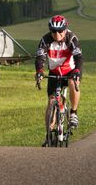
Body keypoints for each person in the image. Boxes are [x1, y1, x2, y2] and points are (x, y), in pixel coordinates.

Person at [35, 15, 82, 146]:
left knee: (73, 82)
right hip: (54, 73)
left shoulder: (71, 38)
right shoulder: (45, 40)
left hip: (70, 71)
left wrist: (77, 71)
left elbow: (78, 57)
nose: (57, 34)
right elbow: (40, 58)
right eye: (54, 31)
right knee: (51, 102)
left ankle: (73, 113)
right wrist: (39, 71)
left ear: (65, 29)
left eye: (60, 31)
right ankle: (49, 134)